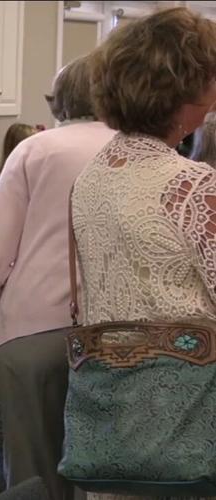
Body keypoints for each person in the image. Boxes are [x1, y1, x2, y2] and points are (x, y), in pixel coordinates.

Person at [70, 8, 216, 500]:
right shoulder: (191, 185)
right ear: (184, 88)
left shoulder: (92, 175)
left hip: (114, 399)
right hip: (187, 400)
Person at [0, 55, 115, 500]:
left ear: (59, 100)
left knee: (32, 471)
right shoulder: (137, 150)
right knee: (106, 467)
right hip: (116, 329)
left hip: (32, 324)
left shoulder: (34, 150)